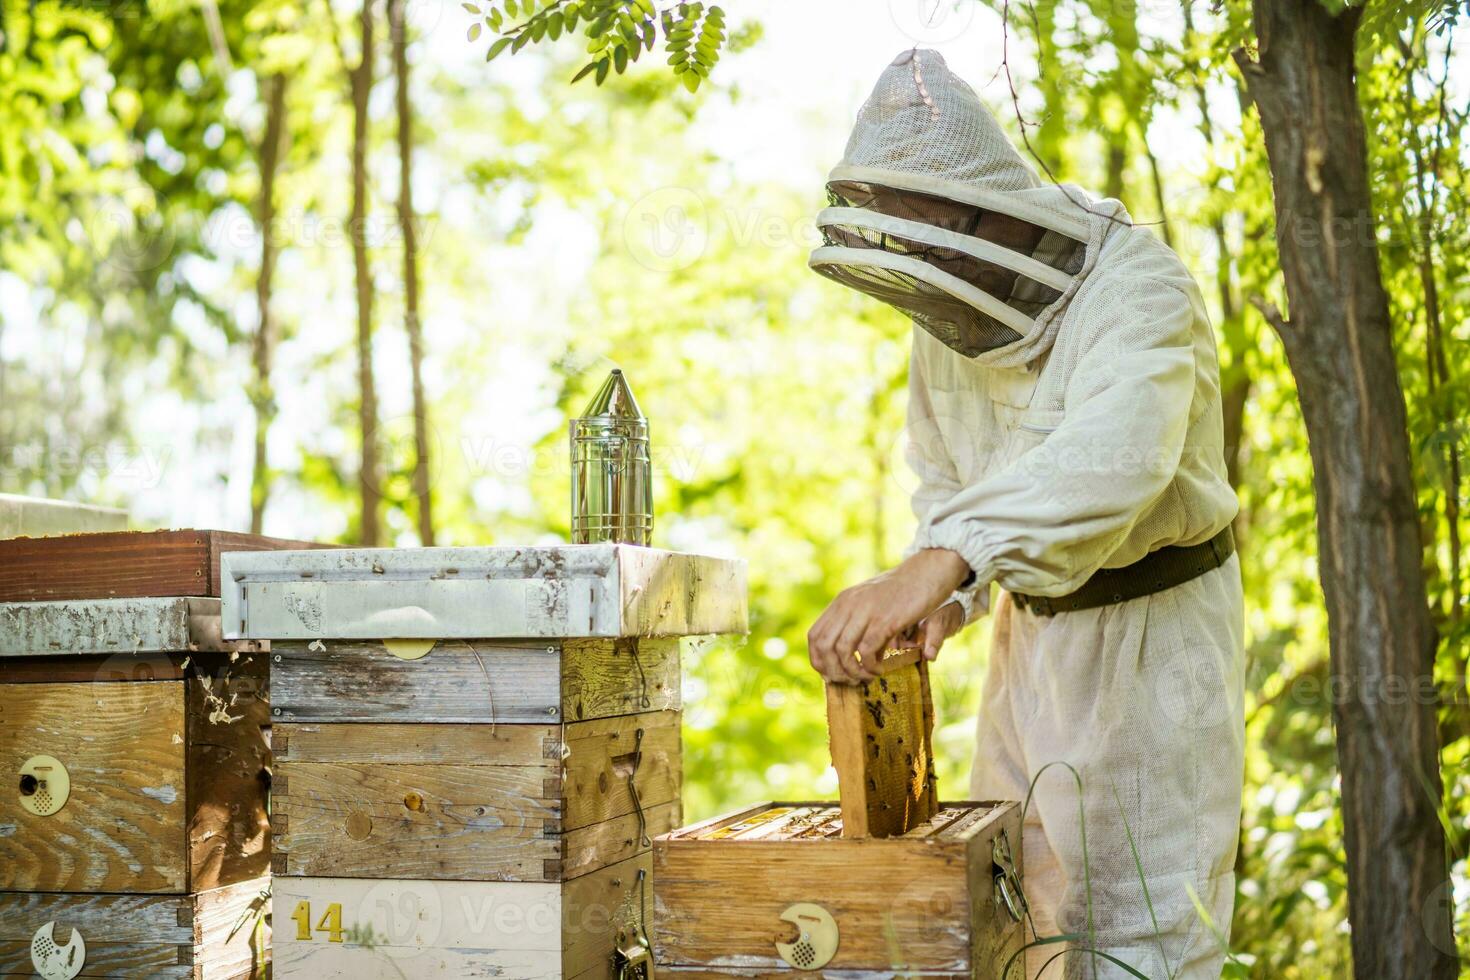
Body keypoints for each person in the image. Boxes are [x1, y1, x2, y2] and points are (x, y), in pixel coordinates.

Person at [805, 49, 1245, 980]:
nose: (917, 253)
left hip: (1151, 646)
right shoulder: (952, 315)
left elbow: (1113, 459)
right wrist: (946, 596)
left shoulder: (1137, 286)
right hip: (1027, 651)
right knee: (1017, 914)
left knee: (1146, 929)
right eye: (901, 233)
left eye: (926, 228)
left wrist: (947, 559)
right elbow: (946, 476)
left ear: (974, 203)